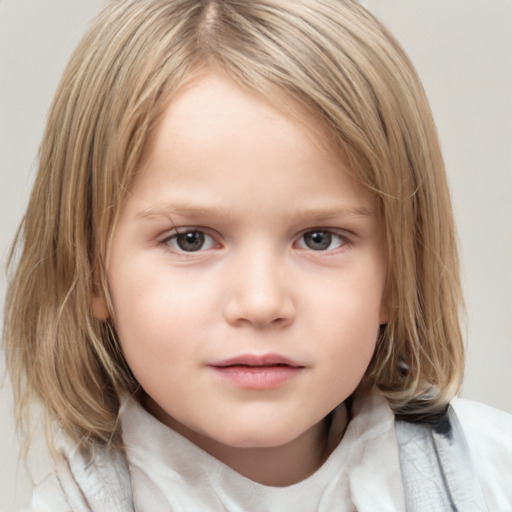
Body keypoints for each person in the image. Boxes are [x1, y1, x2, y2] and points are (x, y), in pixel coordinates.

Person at [3, 0, 510, 510]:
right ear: (92, 271)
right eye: (191, 239)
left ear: (398, 273)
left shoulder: (489, 476)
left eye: (320, 238)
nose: (262, 302)